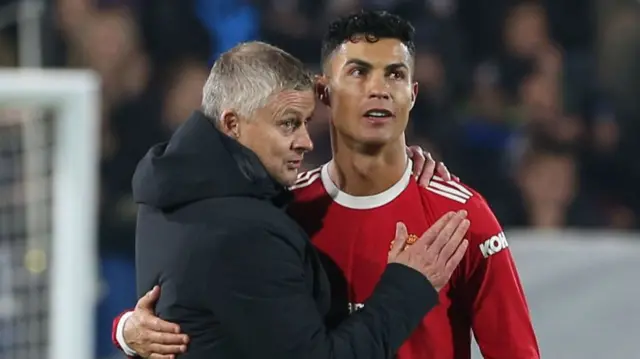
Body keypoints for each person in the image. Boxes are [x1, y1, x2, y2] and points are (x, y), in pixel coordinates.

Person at [114, 10, 540, 359]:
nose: (379, 89)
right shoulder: (286, 209)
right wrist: (128, 327)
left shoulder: (460, 218)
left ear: (413, 93)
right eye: (358, 72)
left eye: (394, 75)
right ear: (324, 91)